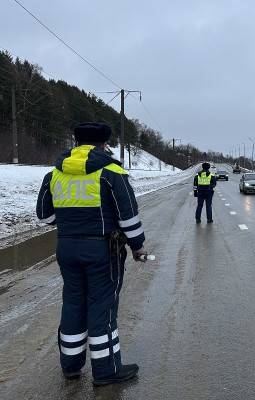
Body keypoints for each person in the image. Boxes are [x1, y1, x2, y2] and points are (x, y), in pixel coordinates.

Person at [36, 122, 148, 386]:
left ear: (76, 142)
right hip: (102, 251)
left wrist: (69, 223)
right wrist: (137, 246)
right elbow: (128, 216)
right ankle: (107, 370)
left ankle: (71, 366)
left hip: (67, 248)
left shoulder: (54, 174)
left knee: (74, 302)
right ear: (104, 144)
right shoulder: (111, 172)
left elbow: (45, 216)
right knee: (102, 306)